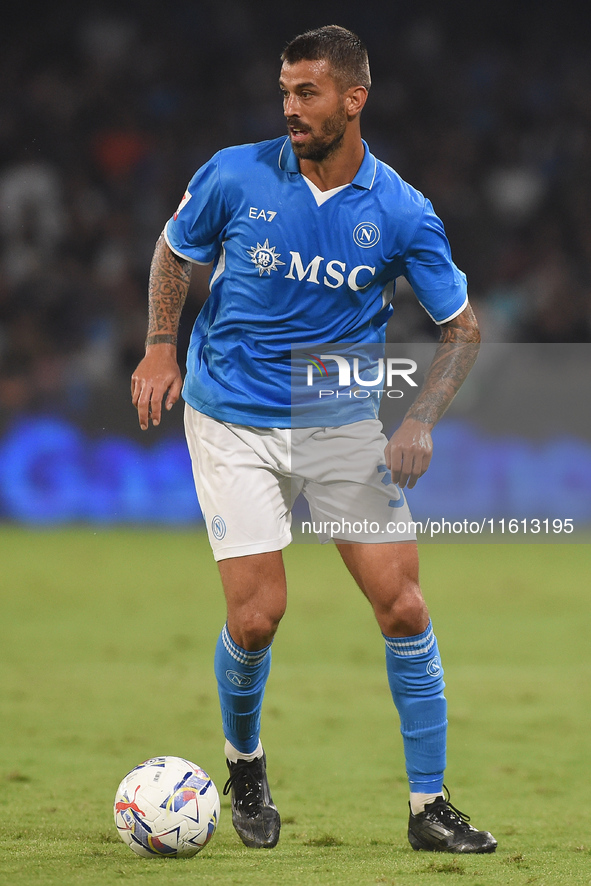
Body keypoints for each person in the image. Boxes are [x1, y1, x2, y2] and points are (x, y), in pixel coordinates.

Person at [131, 25, 497, 855]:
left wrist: (418, 420)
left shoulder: (402, 211)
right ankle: (245, 759)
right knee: (258, 619)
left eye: (308, 93)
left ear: (353, 99)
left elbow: (462, 331)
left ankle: (428, 807)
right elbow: (173, 252)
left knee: (402, 605)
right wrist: (160, 344)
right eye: (285, 92)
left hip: (334, 415)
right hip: (230, 413)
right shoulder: (233, 173)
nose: (290, 108)